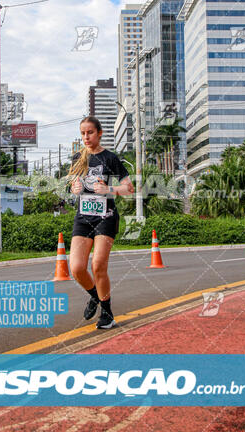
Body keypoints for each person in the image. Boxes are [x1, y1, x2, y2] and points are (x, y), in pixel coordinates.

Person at [68, 116, 134, 329]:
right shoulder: (79, 158)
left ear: (99, 133)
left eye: (90, 133)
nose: (86, 137)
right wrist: (74, 189)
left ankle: (107, 313)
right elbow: (73, 185)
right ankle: (96, 296)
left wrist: (109, 190)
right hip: (83, 218)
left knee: (97, 265)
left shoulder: (110, 158)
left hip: (105, 217)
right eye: (82, 133)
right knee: (77, 268)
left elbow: (129, 188)